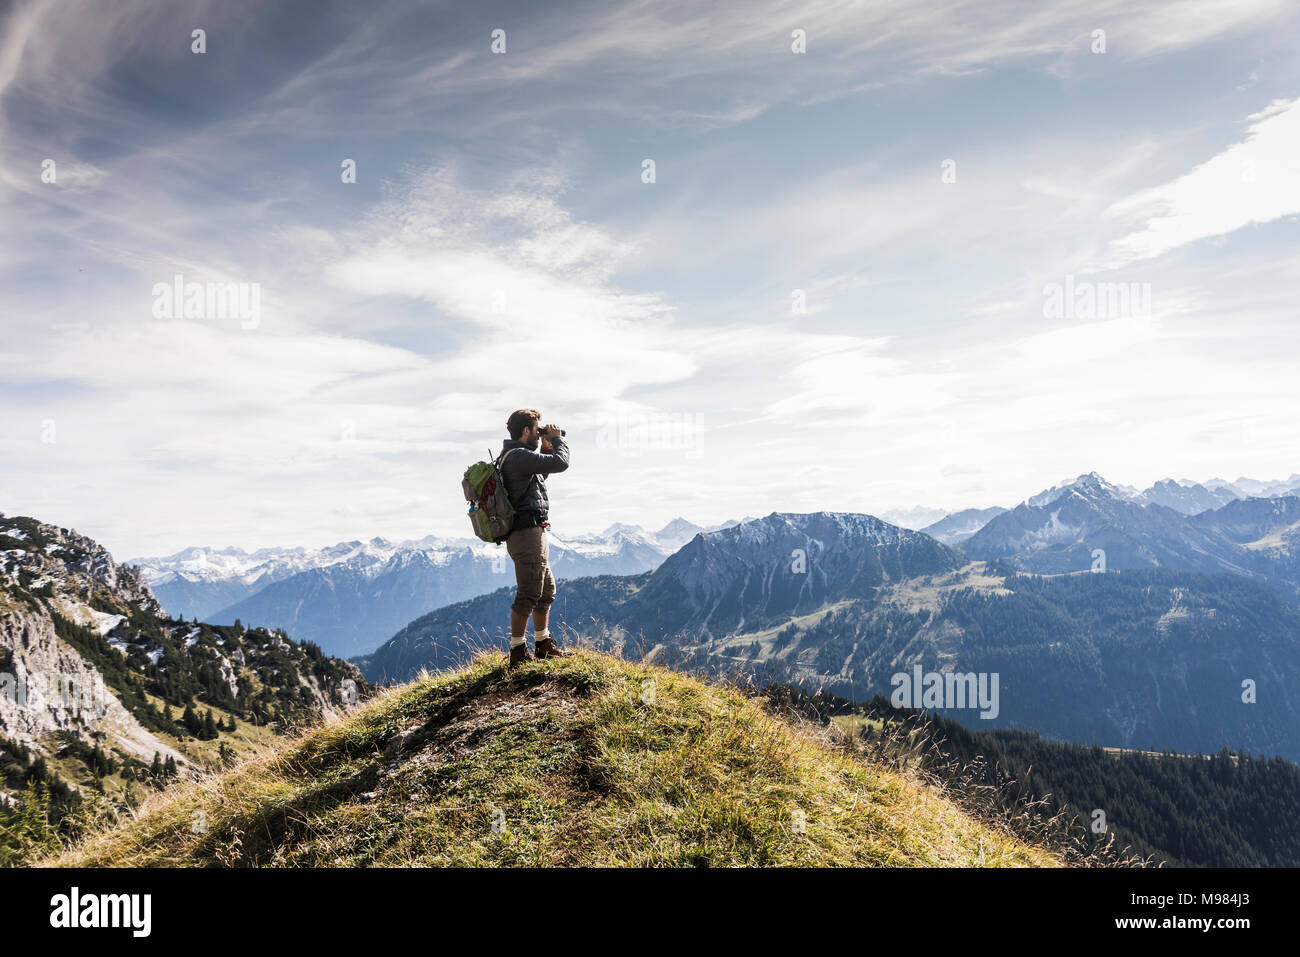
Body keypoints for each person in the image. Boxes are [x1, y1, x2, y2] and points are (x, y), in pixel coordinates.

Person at [499, 408, 571, 670]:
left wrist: (547, 446)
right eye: (537, 429)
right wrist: (559, 441)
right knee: (529, 592)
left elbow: (542, 473)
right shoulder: (517, 456)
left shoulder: (519, 457)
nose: (540, 432)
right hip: (526, 533)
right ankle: (517, 651)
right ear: (526, 430)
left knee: (545, 590)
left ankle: (543, 643)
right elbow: (561, 464)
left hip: (533, 532)